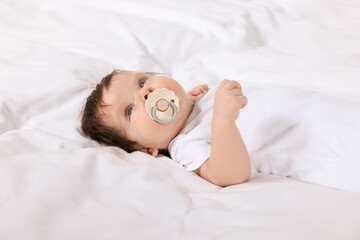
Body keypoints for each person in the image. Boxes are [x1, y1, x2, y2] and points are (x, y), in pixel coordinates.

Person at [81, 69, 360, 191]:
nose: (147, 94)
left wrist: (194, 99)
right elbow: (228, 174)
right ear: (145, 148)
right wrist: (223, 121)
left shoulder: (197, 102)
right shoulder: (184, 144)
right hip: (327, 146)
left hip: (327, 111)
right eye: (129, 111)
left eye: (142, 82)